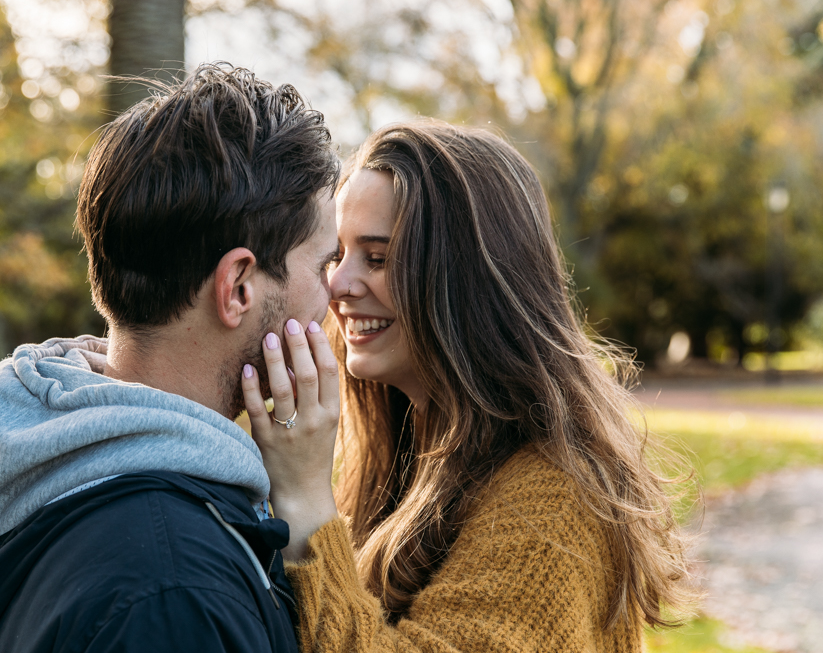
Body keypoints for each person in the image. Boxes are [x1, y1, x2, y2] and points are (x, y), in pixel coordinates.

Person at [0, 63, 343, 653]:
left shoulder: (43, 461)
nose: (335, 297)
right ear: (238, 288)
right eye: (324, 266)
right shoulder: (175, 594)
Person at [242, 120, 694, 652]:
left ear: (465, 281)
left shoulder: (553, 503)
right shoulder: (406, 451)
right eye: (337, 256)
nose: (337, 284)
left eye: (379, 258)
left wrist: (305, 500)